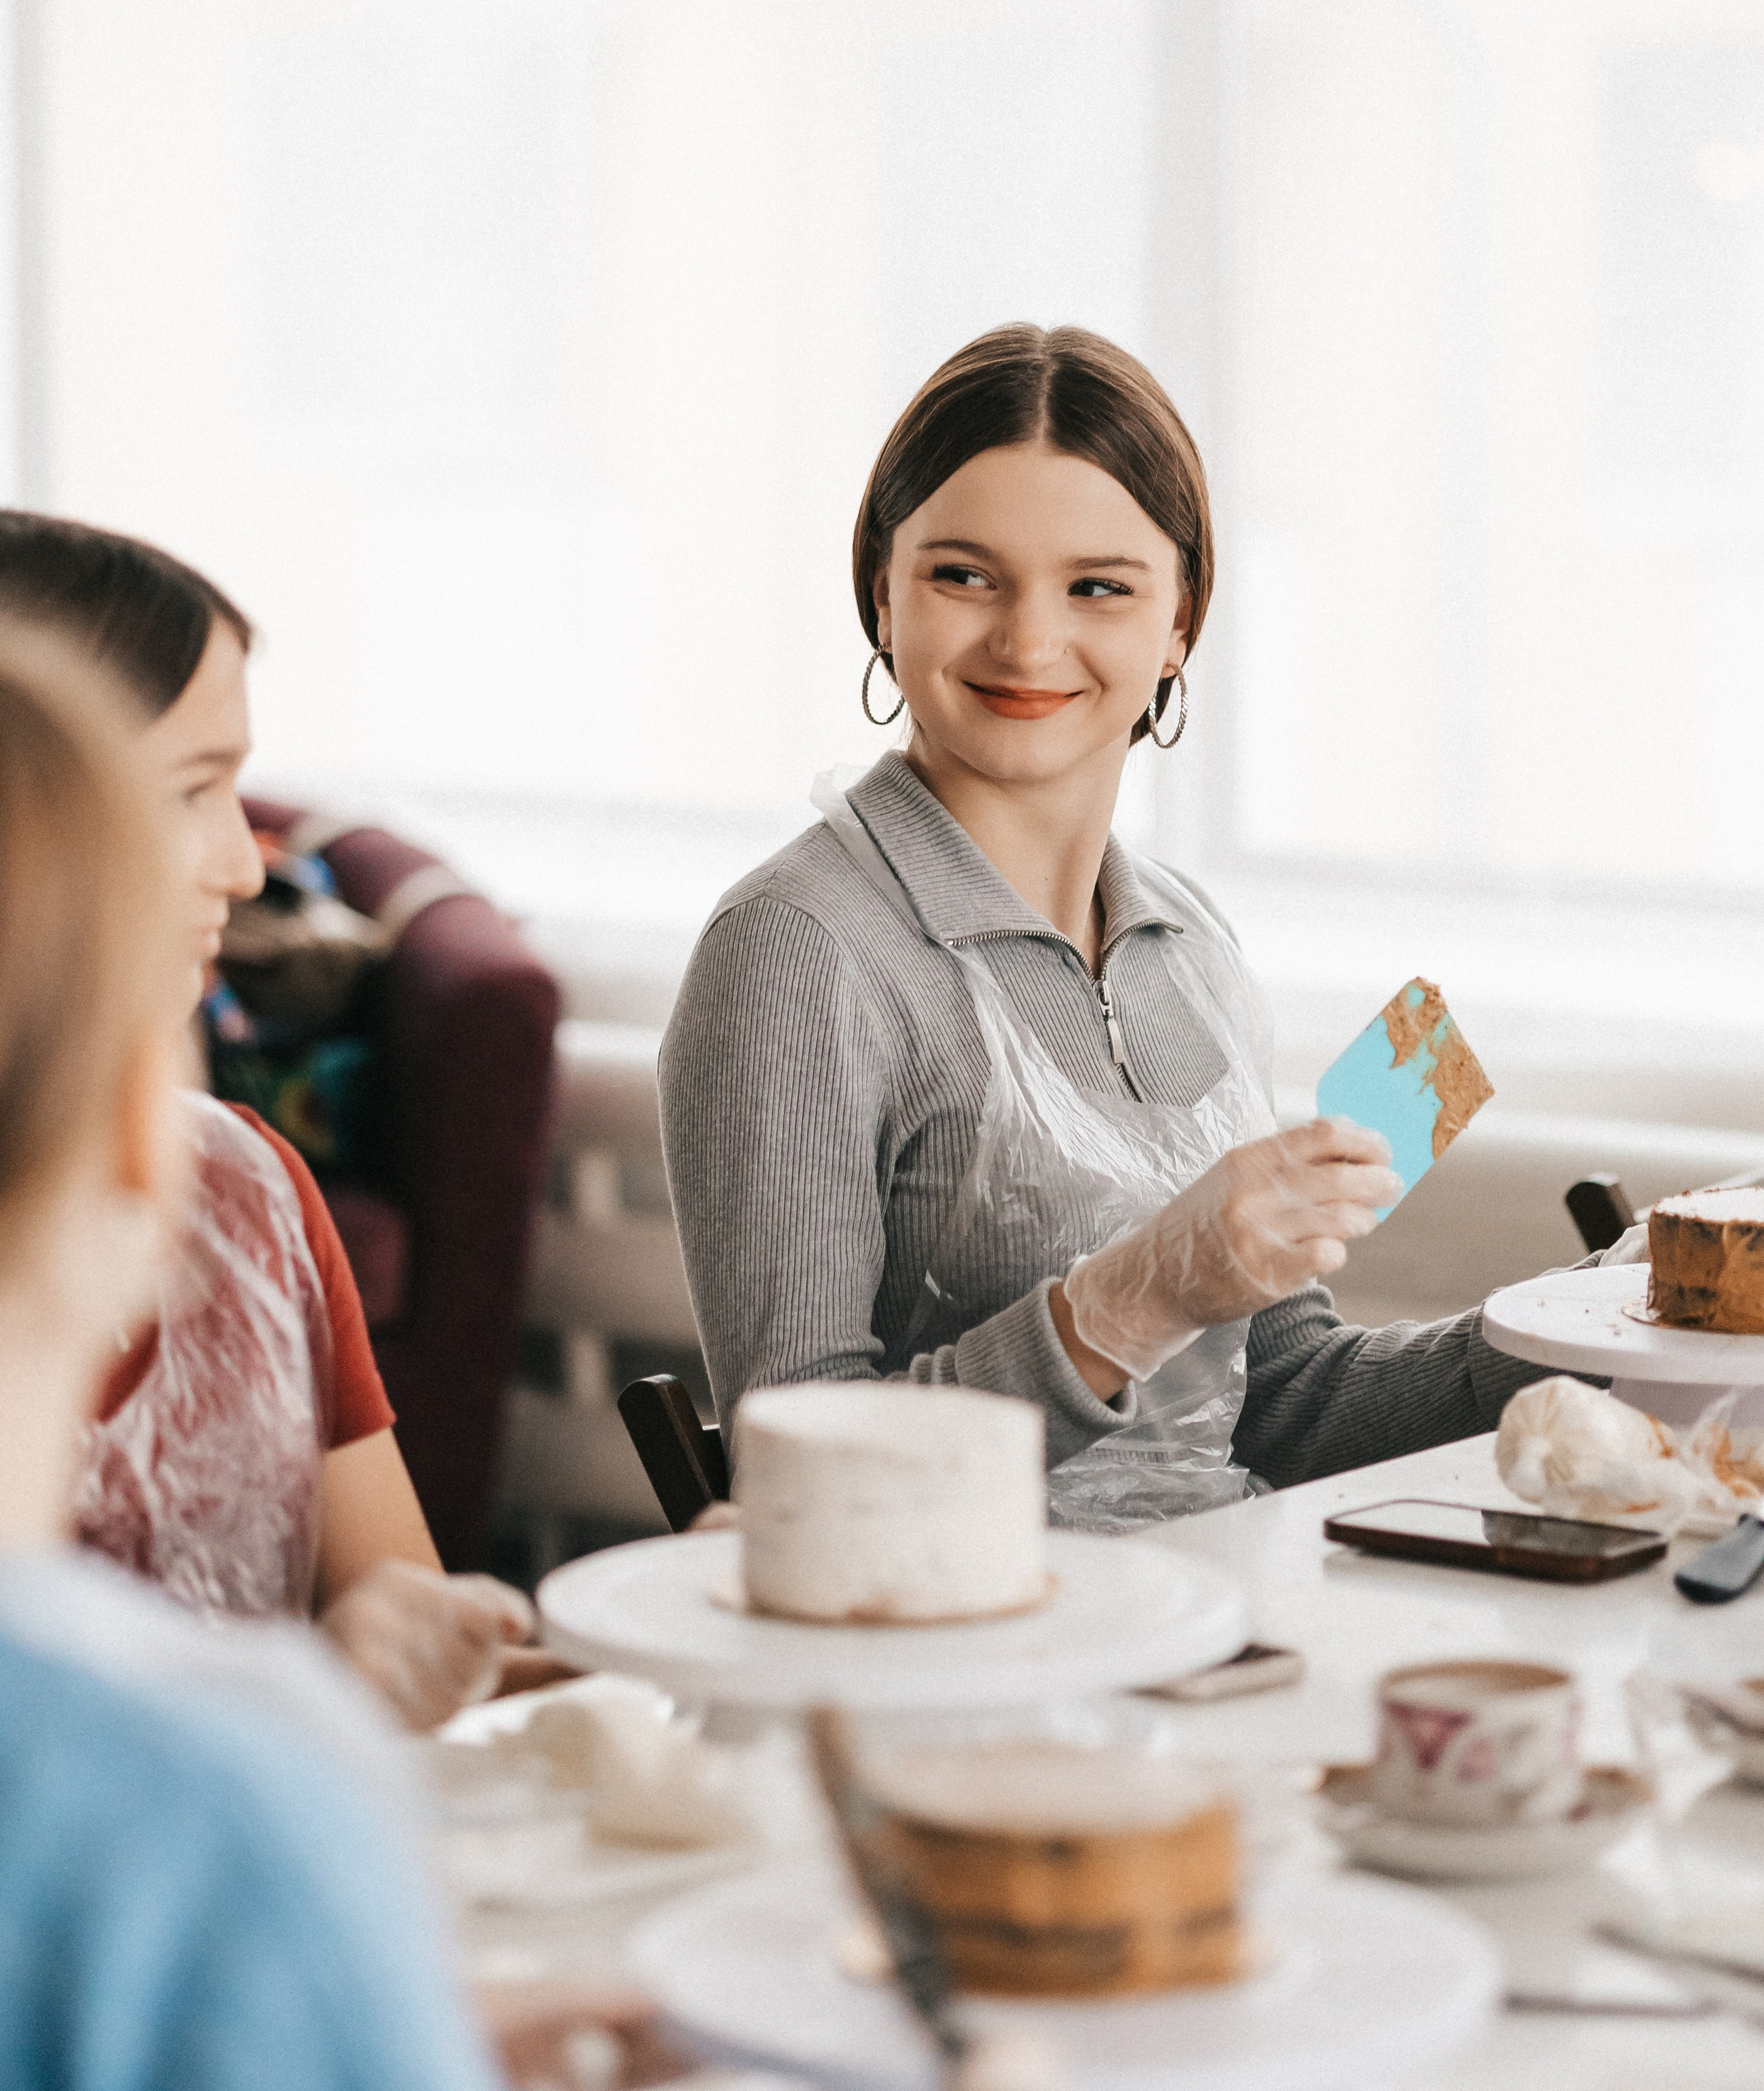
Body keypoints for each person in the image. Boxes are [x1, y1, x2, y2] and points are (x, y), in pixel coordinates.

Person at [661, 325, 1552, 1528]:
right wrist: (1121, 1305)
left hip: (1212, 1643)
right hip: (962, 1666)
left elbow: (1282, 1405)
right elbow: (794, 1481)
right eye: (964, 575)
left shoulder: (1189, 945)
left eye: (1100, 587)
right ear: (884, 588)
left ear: (1179, 623)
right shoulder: (795, 951)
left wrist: (1593, 1323)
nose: (1029, 642)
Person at [0, 622, 508, 2091]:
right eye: (186, 792)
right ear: (133, 1140)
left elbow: (413, 1605)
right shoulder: (205, 1804)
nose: (241, 861)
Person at [0, 513, 533, 1726]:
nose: (247, 868)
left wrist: (711, 1638)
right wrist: (303, 1703)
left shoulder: (248, 1189)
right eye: (195, 789)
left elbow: (431, 1673)